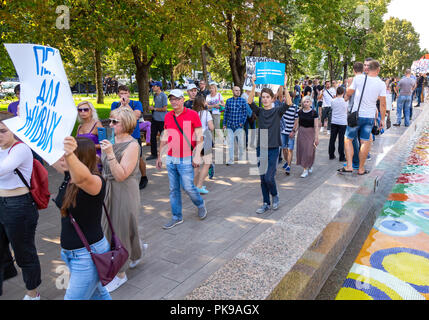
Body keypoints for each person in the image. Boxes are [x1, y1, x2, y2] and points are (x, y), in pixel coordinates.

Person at [53, 137, 111, 300]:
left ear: (81, 158)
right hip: (72, 254)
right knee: (98, 295)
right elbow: (49, 157)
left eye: (68, 156)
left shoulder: (95, 181)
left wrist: (70, 154)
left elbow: (81, 178)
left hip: (87, 256)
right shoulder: (68, 175)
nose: (62, 158)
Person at [99, 107, 143, 292]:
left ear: (126, 123)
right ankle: (134, 253)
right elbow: (106, 167)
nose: (110, 125)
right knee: (109, 227)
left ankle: (120, 274)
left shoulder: (133, 145)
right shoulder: (111, 139)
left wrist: (109, 153)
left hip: (124, 190)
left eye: (114, 122)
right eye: (110, 121)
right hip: (108, 188)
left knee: (121, 228)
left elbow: (121, 175)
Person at [0, 111, 41, 300]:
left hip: (19, 206)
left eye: (2, 131)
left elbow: (3, 169)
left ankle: (33, 293)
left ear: (14, 130)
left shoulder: (21, 148)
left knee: (24, 252)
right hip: (1, 202)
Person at [156, 89, 207, 229]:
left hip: (186, 158)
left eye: (177, 99)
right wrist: (160, 155)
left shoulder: (192, 114)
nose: (174, 102)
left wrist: (197, 156)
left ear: (183, 100)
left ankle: (200, 204)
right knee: (173, 189)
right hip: (171, 158)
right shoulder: (168, 116)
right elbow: (165, 137)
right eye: (171, 99)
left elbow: (199, 137)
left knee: (188, 187)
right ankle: (176, 216)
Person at [247, 75, 293, 213]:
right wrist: (253, 85)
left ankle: (275, 195)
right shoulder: (259, 112)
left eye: (268, 97)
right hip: (261, 147)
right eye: (263, 97)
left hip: (273, 148)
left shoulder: (277, 111)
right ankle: (266, 203)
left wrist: (284, 86)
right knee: (262, 178)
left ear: (272, 98)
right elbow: (249, 102)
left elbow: (288, 103)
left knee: (269, 177)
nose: (265, 99)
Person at [341, 60, 386, 175]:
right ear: (378, 70)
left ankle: (350, 166)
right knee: (365, 141)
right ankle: (361, 169)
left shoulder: (359, 78)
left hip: (357, 115)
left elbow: (349, 92)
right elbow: (383, 103)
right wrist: (382, 120)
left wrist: (349, 88)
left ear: (368, 68)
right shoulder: (381, 83)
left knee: (348, 139)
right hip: (370, 117)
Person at [111, 85, 148, 189]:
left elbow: (135, 117)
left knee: (138, 157)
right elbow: (113, 116)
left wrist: (127, 105)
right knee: (119, 156)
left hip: (134, 136)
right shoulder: (115, 104)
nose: (123, 96)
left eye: (125, 93)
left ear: (129, 94)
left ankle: (144, 176)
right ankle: (123, 175)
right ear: (118, 94)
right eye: (121, 93)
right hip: (119, 136)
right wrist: (121, 106)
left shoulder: (136, 103)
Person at [192, 95, 214, 194]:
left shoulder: (192, 113)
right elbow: (211, 127)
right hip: (205, 140)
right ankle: (200, 185)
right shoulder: (206, 113)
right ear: (203, 103)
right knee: (207, 163)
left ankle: (194, 186)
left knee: (196, 164)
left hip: (194, 140)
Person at [223, 86, 248, 165]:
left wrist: (242, 123)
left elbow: (245, 113)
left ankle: (241, 157)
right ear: (233, 91)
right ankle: (231, 159)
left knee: (240, 142)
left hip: (239, 125)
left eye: (239, 90)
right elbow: (226, 113)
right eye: (236, 90)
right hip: (230, 125)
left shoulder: (243, 101)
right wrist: (224, 124)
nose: (238, 92)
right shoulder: (228, 101)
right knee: (230, 143)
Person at [295, 96, 319, 178]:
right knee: (303, 151)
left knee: (309, 151)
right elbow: (297, 123)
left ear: (311, 103)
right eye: (304, 102)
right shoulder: (300, 112)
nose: (306, 103)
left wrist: (316, 137)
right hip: (301, 133)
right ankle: (305, 169)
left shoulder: (314, 113)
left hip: (310, 133)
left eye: (308, 101)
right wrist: (294, 131)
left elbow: (316, 126)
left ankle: (310, 164)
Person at [75, 101, 103, 168]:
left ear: (92, 111)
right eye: (80, 110)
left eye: (86, 109)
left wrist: (89, 146)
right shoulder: (80, 126)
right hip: (82, 158)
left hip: (95, 158)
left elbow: (106, 144)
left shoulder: (97, 124)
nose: (82, 112)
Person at [146, 81, 168, 162]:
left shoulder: (164, 96)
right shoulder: (155, 95)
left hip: (162, 120)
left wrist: (154, 109)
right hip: (155, 119)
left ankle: (169, 154)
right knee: (153, 136)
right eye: (152, 86)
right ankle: (154, 154)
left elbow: (165, 109)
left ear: (159, 87)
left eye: (154, 86)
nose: (152, 87)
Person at [279, 90, 299, 175]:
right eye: (284, 96)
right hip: (283, 131)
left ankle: (288, 166)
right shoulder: (283, 106)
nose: (284, 98)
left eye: (286, 96)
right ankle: (287, 161)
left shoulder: (295, 107)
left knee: (290, 149)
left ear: (291, 98)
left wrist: (293, 131)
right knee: (284, 148)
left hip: (291, 131)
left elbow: (296, 121)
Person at [328, 86, 348, 162]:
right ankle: (341, 156)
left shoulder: (333, 101)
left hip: (334, 121)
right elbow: (346, 111)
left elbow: (332, 109)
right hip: (342, 122)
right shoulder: (345, 101)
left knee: (332, 139)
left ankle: (331, 155)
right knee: (341, 140)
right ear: (343, 92)